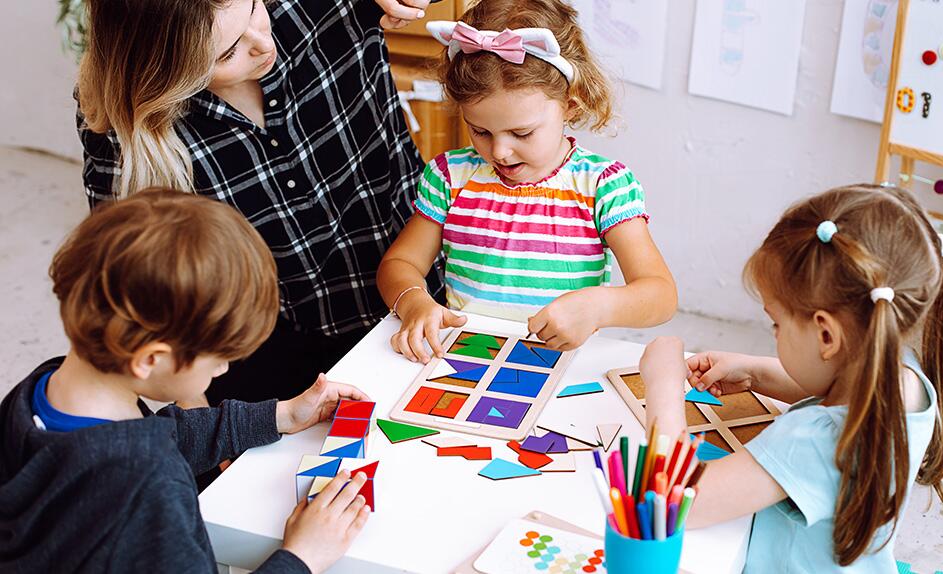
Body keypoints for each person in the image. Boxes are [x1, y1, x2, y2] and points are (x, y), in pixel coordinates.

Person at [75, 0, 443, 404]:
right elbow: (144, 285)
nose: (263, 43)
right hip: (261, 359)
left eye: (252, 8)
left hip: (415, 297)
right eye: (227, 53)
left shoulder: (313, 6)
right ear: (166, 70)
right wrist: (205, 425)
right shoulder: (118, 119)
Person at [0, 189, 371, 573]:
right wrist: (302, 556)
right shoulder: (150, 490)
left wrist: (281, 415)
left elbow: (158, 437)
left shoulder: (38, 394)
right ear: (151, 359)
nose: (223, 370)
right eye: (219, 358)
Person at [641, 184, 943, 572]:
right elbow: (845, 393)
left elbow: (675, 503)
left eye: (776, 324)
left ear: (826, 336)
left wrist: (661, 384)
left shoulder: (812, 440)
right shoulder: (904, 377)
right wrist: (756, 372)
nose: (774, 333)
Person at [377, 0, 677, 362]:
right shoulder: (449, 177)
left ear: (570, 105)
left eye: (522, 133)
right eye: (480, 131)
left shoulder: (603, 186)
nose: (500, 151)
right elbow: (400, 263)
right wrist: (413, 300)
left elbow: (661, 295)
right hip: (467, 357)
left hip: (561, 363)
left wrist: (600, 306)